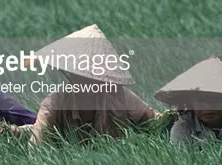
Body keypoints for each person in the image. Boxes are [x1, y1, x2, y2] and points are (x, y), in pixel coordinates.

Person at [29, 24, 159, 144]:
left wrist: (175, 114)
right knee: (27, 130)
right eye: (79, 74)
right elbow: (36, 144)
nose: (84, 80)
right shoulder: (54, 103)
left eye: (90, 75)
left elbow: (154, 120)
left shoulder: (119, 96)